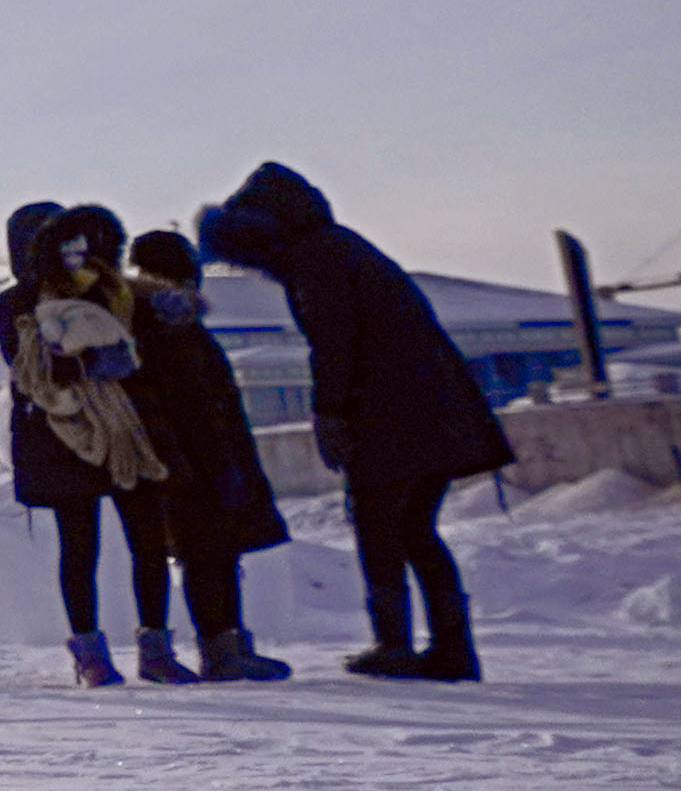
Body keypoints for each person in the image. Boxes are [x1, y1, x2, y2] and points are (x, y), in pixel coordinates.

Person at [200, 161, 509, 682]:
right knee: (415, 529)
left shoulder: (315, 259)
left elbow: (335, 343)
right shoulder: (342, 246)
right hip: (436, 408)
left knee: (379, 525)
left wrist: (330, 411)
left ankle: (394, 645)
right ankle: (453, 649)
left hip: (390, 415)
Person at [0, 201, 169, 686]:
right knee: (89, 545)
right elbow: (29, 369)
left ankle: (132, 651)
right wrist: (99, 361)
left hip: (115, 430)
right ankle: (102, 654)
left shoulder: (100, 288)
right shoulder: (19, 300)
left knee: (131, 541)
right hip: (66, 432)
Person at [121, 226, 291, 682]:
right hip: (199, 460)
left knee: (214, 554)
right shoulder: (170, 325)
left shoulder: (154, 321)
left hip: (192, 459)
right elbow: (198, 403)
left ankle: (227, 645)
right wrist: (220, 463)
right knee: (210, 555)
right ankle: (222, 648)